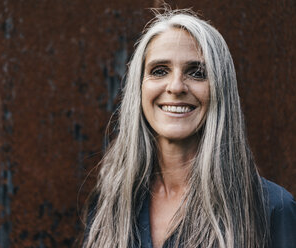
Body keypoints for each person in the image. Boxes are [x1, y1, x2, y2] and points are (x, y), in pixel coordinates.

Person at [81, 8, 296, 248]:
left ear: (220, 89)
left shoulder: (271, 208)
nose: (175, 87)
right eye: (159, 70)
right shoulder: (110, 202)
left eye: (197, 73)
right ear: (138, 88)